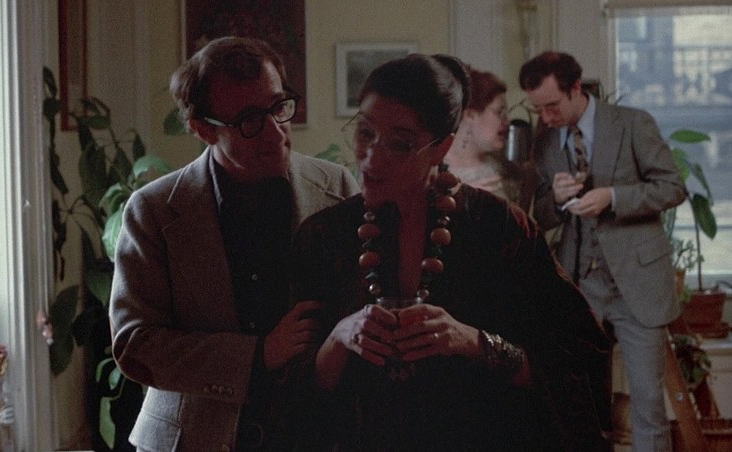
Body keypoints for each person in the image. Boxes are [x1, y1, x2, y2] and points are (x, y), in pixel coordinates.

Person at [290, 53, 612, 451]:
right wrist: (340, 337)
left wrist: (476, 343)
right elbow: (294, 397)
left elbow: (581, 364)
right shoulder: (324, 236)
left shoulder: (498, 228)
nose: (372, 155)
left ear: (441, 148)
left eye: (400, 143)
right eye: (365, 132)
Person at [108, 36, 360, 451]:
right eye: (249, 120)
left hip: (310, 433)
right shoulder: (153, 210)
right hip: (194, 438)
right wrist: (257, 355)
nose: (275, 132)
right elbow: (135, 344)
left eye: (278, 107)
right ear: (203, 129)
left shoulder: (336, 186)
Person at [519, 50, 687, 451]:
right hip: (580, 290)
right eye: (538, 109)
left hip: (637, 287)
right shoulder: (545, 142)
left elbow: (672, 188)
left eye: (552, 106)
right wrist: (556, 199)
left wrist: (613, 197)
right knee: (585, 409)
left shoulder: (632, 123)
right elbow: (539, 217)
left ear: (576, 88)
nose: (546, 117)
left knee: (647, 406)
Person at [444, 66, 538, 211]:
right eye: (499, 112)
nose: (507, 121)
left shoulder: (504, 166)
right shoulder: (438, 169)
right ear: (470, 115)